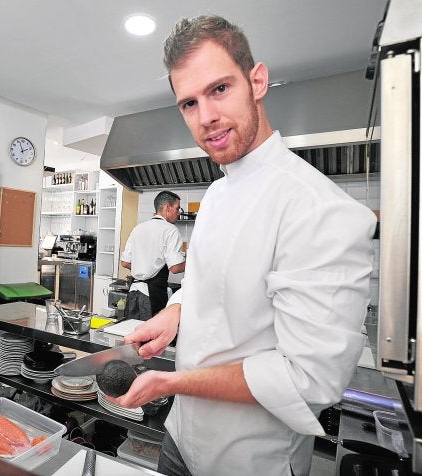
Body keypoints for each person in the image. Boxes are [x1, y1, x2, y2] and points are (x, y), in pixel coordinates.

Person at [110, 16, 376, 476]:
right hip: (180, 437)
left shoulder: (319, 209)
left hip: (250, 458)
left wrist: (171, 383)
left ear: (257, 81)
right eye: (189, 103)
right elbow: (207, 284)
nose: (206, 117)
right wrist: (175, 313)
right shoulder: (216, 194)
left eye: (219, 89)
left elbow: (309, 379)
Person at [120, 190, 185, 321]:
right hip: (153, 296)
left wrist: (143, 266)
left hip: (133, 293)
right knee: (151, 332)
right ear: (167, 207)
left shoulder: (138, 228)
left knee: (132, 330)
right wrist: (195, 261)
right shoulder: (171, 230)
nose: (178, 213)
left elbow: (125, 262)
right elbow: (175, 267)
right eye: (177, 208)